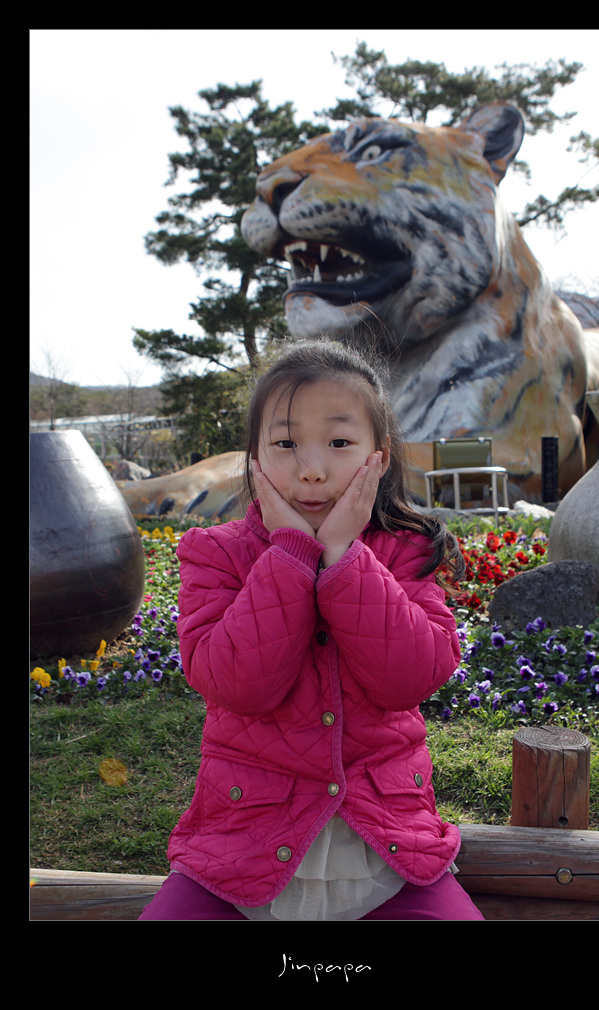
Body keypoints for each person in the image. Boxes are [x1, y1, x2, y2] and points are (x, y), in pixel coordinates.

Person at [139, 339, 483, 921]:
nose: (312, 470)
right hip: (239, 846)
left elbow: (409, 679)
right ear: (254, 457)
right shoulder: (215, 553)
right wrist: (291, 555)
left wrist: (346, 555)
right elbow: (237, 685)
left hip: (389, 848)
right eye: (285, 443)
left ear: (379, 457)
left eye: (340, 443)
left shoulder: (406, 551)